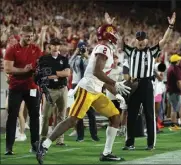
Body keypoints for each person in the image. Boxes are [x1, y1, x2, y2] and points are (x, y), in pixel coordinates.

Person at [35, 23, 130, 164]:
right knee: (72, 119)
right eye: (113, 33)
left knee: (115, 117)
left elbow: (101, 78)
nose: (116, 36)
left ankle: (107, 152)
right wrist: (115, 83)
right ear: (108, 35)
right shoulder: (103, 48)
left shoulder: (104, 48)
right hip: (88, 89)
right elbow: (97, 72)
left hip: (96, 91)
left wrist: (117, 94)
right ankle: (44, 145)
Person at [116, 12, 176, 151]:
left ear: (147, 40)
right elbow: (120, 41)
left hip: (147, 84)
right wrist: (111, 25)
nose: (141, 41)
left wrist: (171, 26)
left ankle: (150, 143)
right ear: (135, 40)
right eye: (138, 39)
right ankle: (129, 143)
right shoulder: (130, 51)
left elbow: (165, 40)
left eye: (143, 39)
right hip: (134, 84)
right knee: (131, 115)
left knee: (149, 114)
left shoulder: (152, 51)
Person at [4, 25, 42, 155]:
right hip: (16, 88)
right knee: (12, 116)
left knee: (35, 116)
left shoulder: (36, 49)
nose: (29, 38)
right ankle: (9, 147)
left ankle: (35, 146)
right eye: (27, 36)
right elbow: (8, 69)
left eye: (31, 36)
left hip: (32, 87)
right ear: (21, 35)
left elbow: (40, 65)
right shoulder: (12, 49)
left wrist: (38, 70)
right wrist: (23, 70)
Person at [39, 38, 70, 146]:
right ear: (50, 46)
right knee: (46, 115)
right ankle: (43, 138)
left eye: (57, 44)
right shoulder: (44, 59)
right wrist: (60, 73)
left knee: (62, 115)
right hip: (50, 90)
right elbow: (44, 74)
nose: (56, 47)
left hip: (62, 89)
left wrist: (55, 74)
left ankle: (60, 140)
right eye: (54, 44)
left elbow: (67, 73)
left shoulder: (63, 58)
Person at [68, 41, 99, 142]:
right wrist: (75, 53)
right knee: (79, 111)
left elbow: (94, 66)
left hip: (87, 85)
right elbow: (68, 64)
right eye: (80, 48)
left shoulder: (90, 58)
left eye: (83, 48)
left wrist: (86, 55)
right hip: (77, 84)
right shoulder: (75, 59)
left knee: (91, 112)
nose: (82, 50)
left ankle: (94, 135)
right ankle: (80, 135)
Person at [166, 54, 181, 131]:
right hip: (174, 92)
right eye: (179, 60)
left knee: (174, 108)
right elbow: (179, 81)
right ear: (176, 61)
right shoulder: (175, 69)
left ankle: (174, 124)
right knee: (175, 109)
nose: (180, 61)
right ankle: (174, 125)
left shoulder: (170, 68)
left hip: (171, 91)